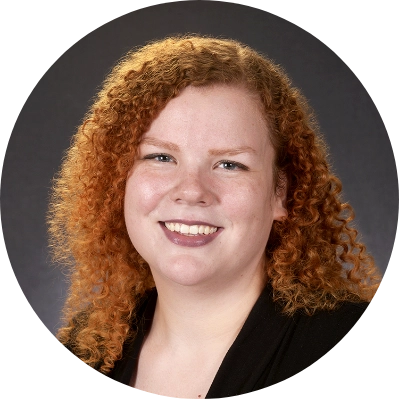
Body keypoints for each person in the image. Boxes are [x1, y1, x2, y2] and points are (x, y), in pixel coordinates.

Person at [47, 35, 382, 399]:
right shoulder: (83, 352)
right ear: (118, 180)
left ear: (280, 194)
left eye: (229, 164)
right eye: (160, 157)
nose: (191, 190)